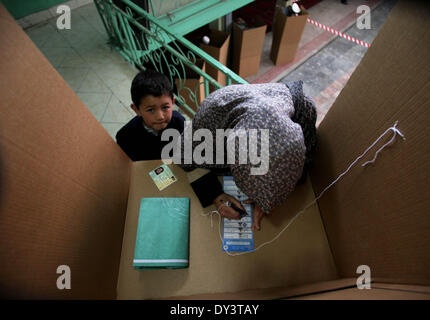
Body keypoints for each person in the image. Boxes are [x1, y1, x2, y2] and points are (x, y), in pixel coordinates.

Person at [170, 81, 317, 231]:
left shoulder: (304, 111)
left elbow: (304, 161)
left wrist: (267, 199)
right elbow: (183, 157)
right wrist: (216, 195)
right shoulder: (209, 120)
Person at [116, 69, 185, 161]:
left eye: (165, 107)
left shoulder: (180, 122)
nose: (160, 116)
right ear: (137, 110)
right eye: (150, 110)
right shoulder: (125, 137)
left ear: (172, 102)